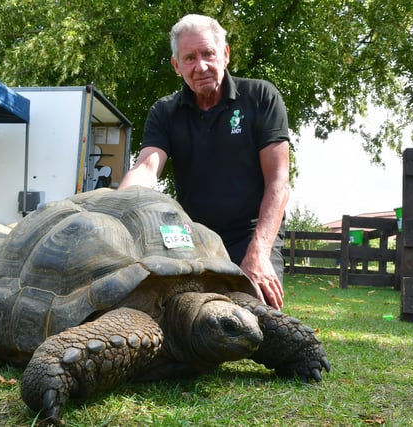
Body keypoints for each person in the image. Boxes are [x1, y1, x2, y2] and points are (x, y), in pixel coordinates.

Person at [119, 14, 290, 309]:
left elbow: (279, 182)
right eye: (189, 58)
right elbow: (147, 167)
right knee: (175, 315)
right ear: (176, 66)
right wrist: (114, 210)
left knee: (256, 316)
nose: (200, 66)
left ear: (224, 54)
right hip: (188, 236)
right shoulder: (164, 111)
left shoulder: (261, 97)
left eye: (208, 53)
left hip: (249, 234)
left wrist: (260, 251)